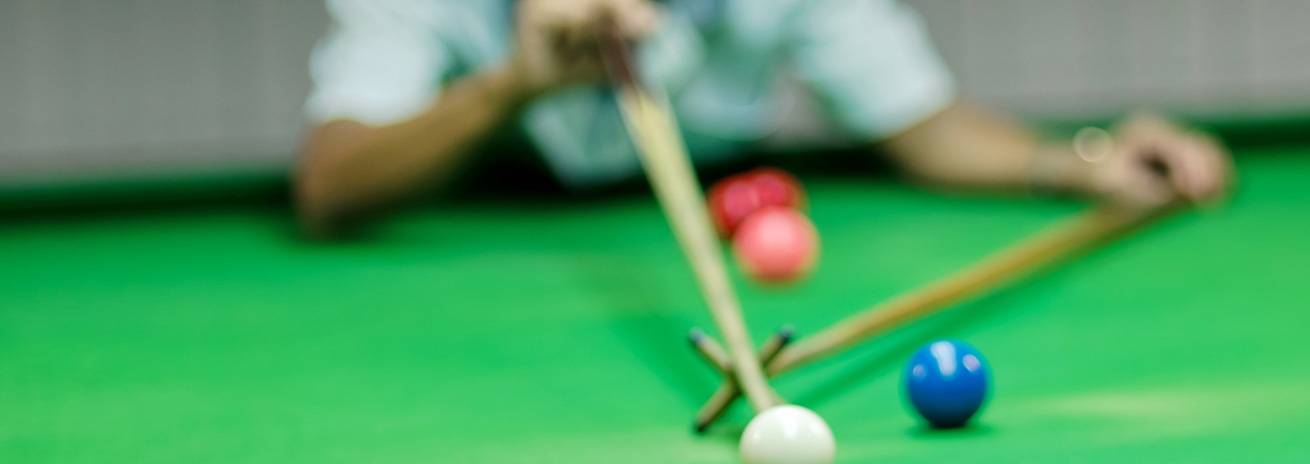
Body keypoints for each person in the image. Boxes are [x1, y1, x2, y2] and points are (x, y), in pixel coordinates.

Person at [296, 0, 1233, 234]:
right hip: (495, 215)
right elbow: (331, 183)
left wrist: (1085, 160)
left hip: (722, 189)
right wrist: (508, 85)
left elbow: (927, 125)